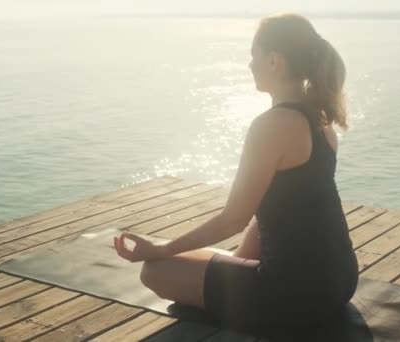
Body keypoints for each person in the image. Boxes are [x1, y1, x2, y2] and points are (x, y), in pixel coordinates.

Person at [113, 13, 359, 339]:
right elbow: (283, 207)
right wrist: (242, 260)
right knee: (224, 258)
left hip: (294, 298)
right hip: (340, 282)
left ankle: (235, 290)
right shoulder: (322, 123)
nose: (249, 65)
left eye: (253, 55)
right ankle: (239, 273)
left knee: (156, 271)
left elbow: (233, 220)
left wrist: (160, 249)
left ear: (274, 61)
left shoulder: (271, 125)